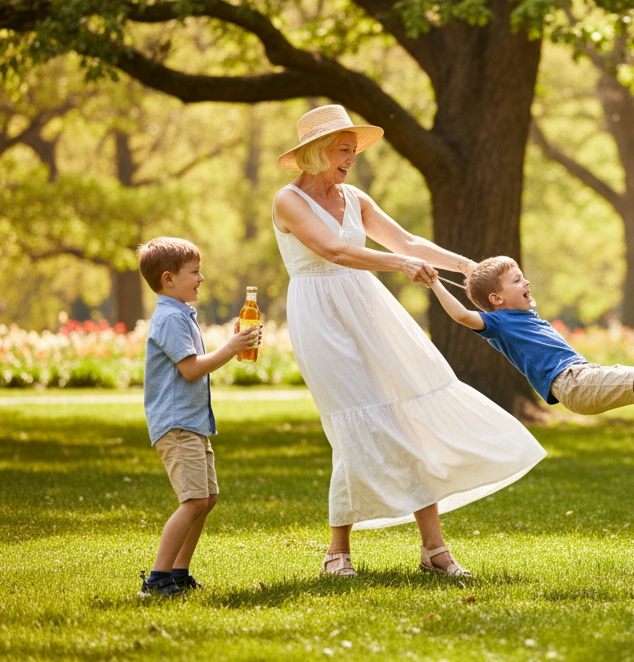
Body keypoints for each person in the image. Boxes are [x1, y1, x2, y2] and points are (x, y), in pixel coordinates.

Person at [272, 105, 546, 580]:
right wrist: (398, 265)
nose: (350, 159)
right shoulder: (288, 201)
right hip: (321, 314)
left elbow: (406, 241)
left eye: (353, 150)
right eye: (343, 149)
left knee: (408, 413)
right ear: (316, 152)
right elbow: (333, 250)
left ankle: (434, 550)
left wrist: (463, 265)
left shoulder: (354, 197)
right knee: (352, 420)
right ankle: (338, 551)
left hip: (369, 307)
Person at [429, 257, 634, 429]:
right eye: (517, 280)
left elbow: (491, 284)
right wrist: (435, 284)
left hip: (582, 375)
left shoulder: (522, 313)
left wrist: (484, 271)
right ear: (495, 298)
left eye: (523, 275)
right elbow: (461, 315)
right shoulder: (497, 323)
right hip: (572, 384)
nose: (526, 281)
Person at [136, 236, 261, 597]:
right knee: (192, 501)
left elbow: (194, 365)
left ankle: (178, 573)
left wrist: (231, 341)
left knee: (206, 500)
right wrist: (231, 347)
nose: (201, 278)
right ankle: (157, 580)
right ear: (168, 279)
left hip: (191, 422)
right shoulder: (170, 318)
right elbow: (191, 370)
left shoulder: (180, 315)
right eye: (194, 272)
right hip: (177, 425)